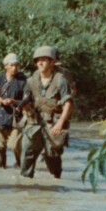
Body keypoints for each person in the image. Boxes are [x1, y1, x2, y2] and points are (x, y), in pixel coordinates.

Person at [19, 45, 73, 179]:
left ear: (52, 62)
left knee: (52, 158)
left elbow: (68, 103)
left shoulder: (61, 80)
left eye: (44, 60)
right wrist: (25, 107)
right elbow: (26, 100)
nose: (40, 63)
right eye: (38, 60)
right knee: (26, 157)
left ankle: (56, 183)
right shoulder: (30, 81)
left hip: (52, 124)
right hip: (33, 123)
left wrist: (60, 123)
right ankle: (25, 188)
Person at [0, 53, 27, 169]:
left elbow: (27, 100)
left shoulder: (22, 81)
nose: (14, 68)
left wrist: (14, 102)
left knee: (14, 145)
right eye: (12, 65)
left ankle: (20, 163)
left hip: (16, 119)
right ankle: (1, 169)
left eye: (16, 65)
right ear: (6, 66)